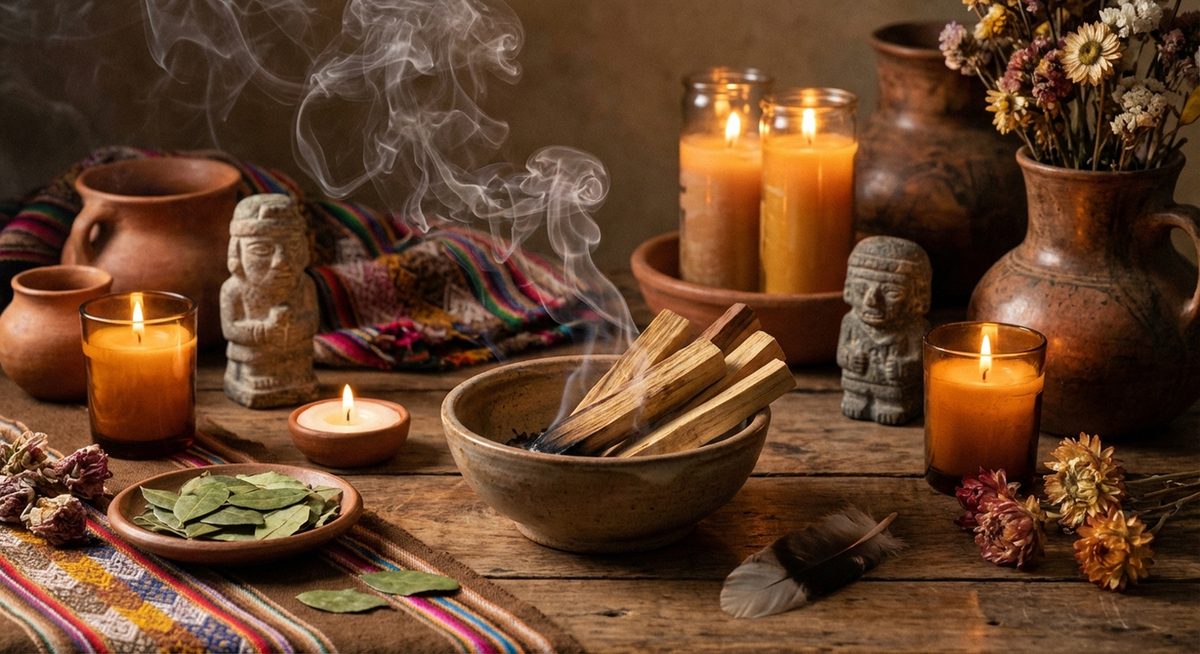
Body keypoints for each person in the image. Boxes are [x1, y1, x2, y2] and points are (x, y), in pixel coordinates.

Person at [221, 194, 319, 408]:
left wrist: (294, 328)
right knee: (253, 355)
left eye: (292, 247)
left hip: (295, 356)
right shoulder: (234, 289)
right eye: (262, 250)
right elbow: (230, 329)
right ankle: (253, 377)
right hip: (253, 361)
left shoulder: (304, 285)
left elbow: (312, 321)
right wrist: (264, 330)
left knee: (302, 350)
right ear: (237, 252)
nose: (280, 262)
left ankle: (296, 375)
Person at [837, 236, 931, 426]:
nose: (871, 301)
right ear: (849, 288)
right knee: (855, 397)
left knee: (892, 403)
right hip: (857, 384)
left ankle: (890, 404)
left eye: (891, 293)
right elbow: (841, 353)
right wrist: (850, 358)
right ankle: (858, 398)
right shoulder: (851, 321)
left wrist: (902, 366)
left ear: (916, 296)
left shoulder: (916, 328)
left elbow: (919, 361)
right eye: (862, 289)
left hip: (896, 392)